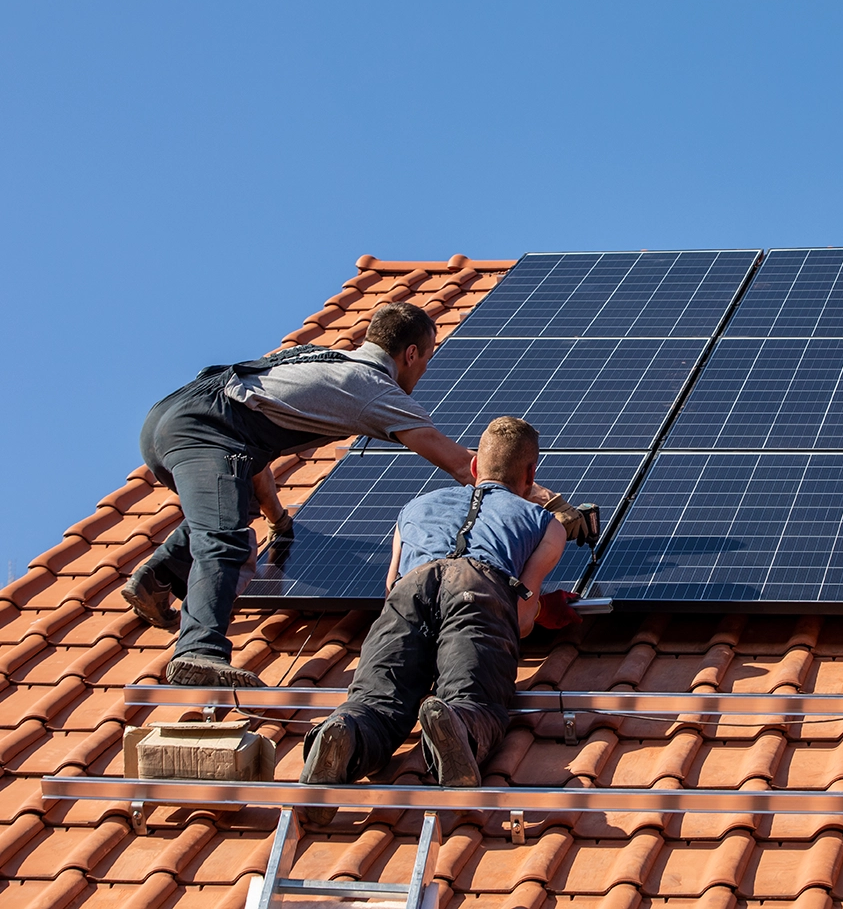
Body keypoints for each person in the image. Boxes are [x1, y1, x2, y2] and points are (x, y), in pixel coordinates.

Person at [124, 304, 585, 687]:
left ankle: (158, 578)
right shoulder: (372, 389)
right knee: (224, 539)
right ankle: (199, 655)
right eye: (425, 359)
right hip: (205, 430)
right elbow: (460, 462)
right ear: (408, 354)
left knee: (228, 507)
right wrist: (547, 500)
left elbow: (251, 459)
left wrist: (279, 521)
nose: (424, 370)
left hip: (174, 418)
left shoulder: (315, 359)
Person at [299, 416, 582, 823]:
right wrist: (541, 612)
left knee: (376, 702)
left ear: (473, 467)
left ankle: (347, 731)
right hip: (480, 585)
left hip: (411, 587)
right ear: (531, 474)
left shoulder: (414, 507)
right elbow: (521, 618)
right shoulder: (545, 523)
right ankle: (457, 723)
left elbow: (391, 588)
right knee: (475, 698)